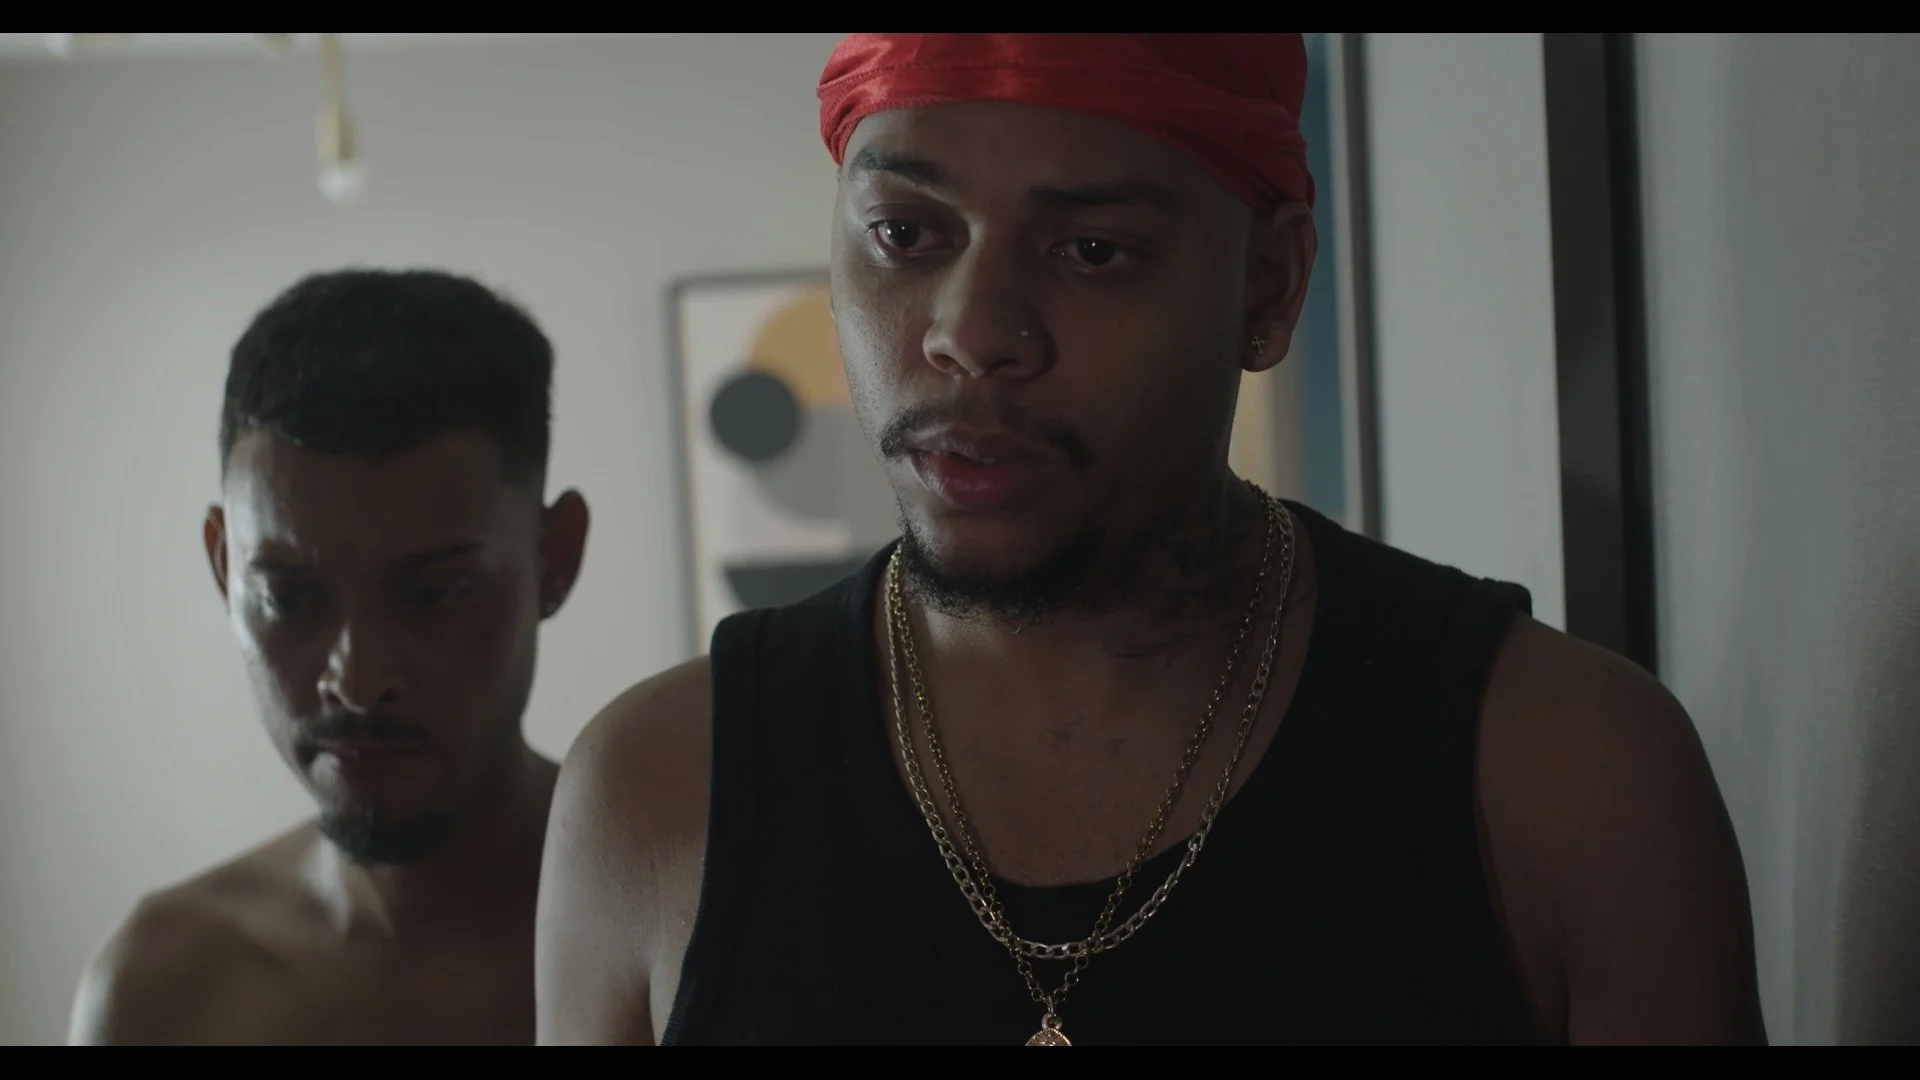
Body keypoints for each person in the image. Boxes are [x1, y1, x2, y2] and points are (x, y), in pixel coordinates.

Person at [535, 34, 1765, 1045]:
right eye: (906, 234)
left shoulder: (1563, 777)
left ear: (1269, 288)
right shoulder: (657, 796)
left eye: (1093, 251)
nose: (974, 332)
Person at [69, 269, 590, 1045]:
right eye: (287, 598)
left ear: (555, 558)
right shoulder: (159, 995)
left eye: (435, 594)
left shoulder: (698, 924)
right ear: (223, 567)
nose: (357, 682)